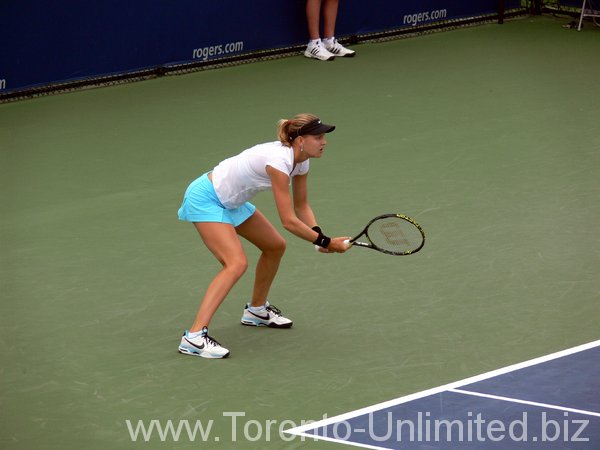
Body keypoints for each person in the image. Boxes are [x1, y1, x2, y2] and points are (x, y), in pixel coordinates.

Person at [177, 113, 350, 359]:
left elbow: (301, 206)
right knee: (235, 264)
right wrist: (326, 242)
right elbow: (288, 220)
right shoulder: (278, 161)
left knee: (275, 246)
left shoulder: (302, 161)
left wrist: (320, 238)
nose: (324, 142)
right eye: (318, 137)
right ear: (300, 140)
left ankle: (256, 310)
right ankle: (193, 337)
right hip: (207, 198)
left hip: (233, 202)